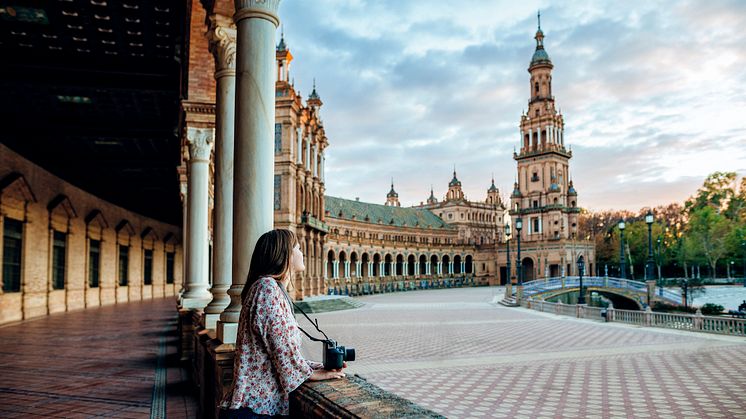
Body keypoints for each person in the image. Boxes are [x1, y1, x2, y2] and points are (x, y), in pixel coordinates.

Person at [219, 229, 346, 418]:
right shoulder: (267, 289)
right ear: (284, 254)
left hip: (255, 408)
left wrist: (313, 367)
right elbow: (281, 350)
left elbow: (275, 353)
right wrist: (310, 374)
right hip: (255, 409)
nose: (301, 252)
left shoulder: (268, 288)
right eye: (298, 248)